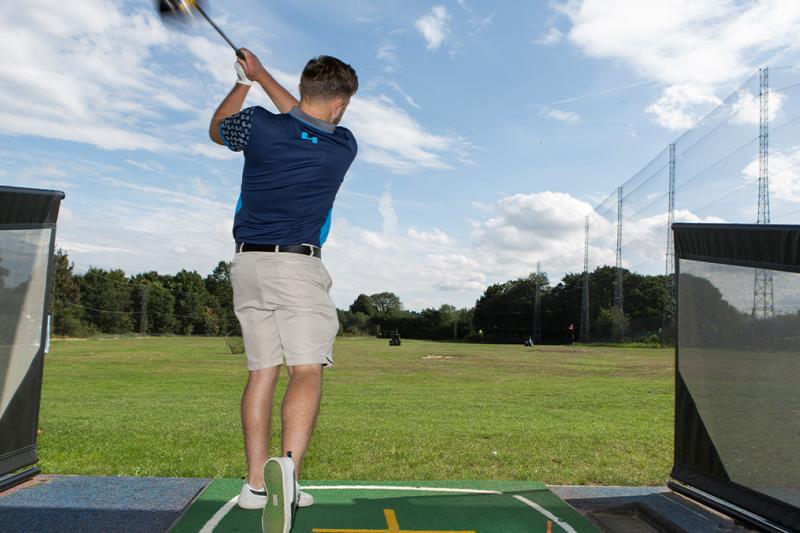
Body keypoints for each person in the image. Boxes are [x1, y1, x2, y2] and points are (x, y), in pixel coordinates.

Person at [209, 48, 358, 532]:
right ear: (340, 104)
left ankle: (255, 486)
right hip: (296, 265)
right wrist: (261, 75)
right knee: (306, 370)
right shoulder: (342, 146)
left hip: (246, 263)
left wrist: (245, 82)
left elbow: (217, 129)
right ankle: (287, 480)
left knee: (261, 373)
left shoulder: (257, 125)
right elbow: (303, 116)